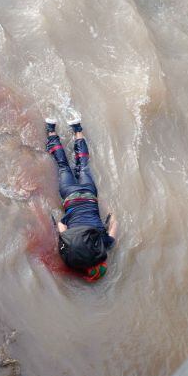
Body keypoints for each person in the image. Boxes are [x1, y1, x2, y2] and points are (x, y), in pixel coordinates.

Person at [46, 113, 118, 281]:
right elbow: (60, 226)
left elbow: (115, 221)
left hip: (89, 194)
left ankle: (77, 128)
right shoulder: (71, 248)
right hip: (70, 196)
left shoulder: (105, 244)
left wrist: (108, 213)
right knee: (63, 166)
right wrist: (64, 222)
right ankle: (51, 129)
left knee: (83, 166)